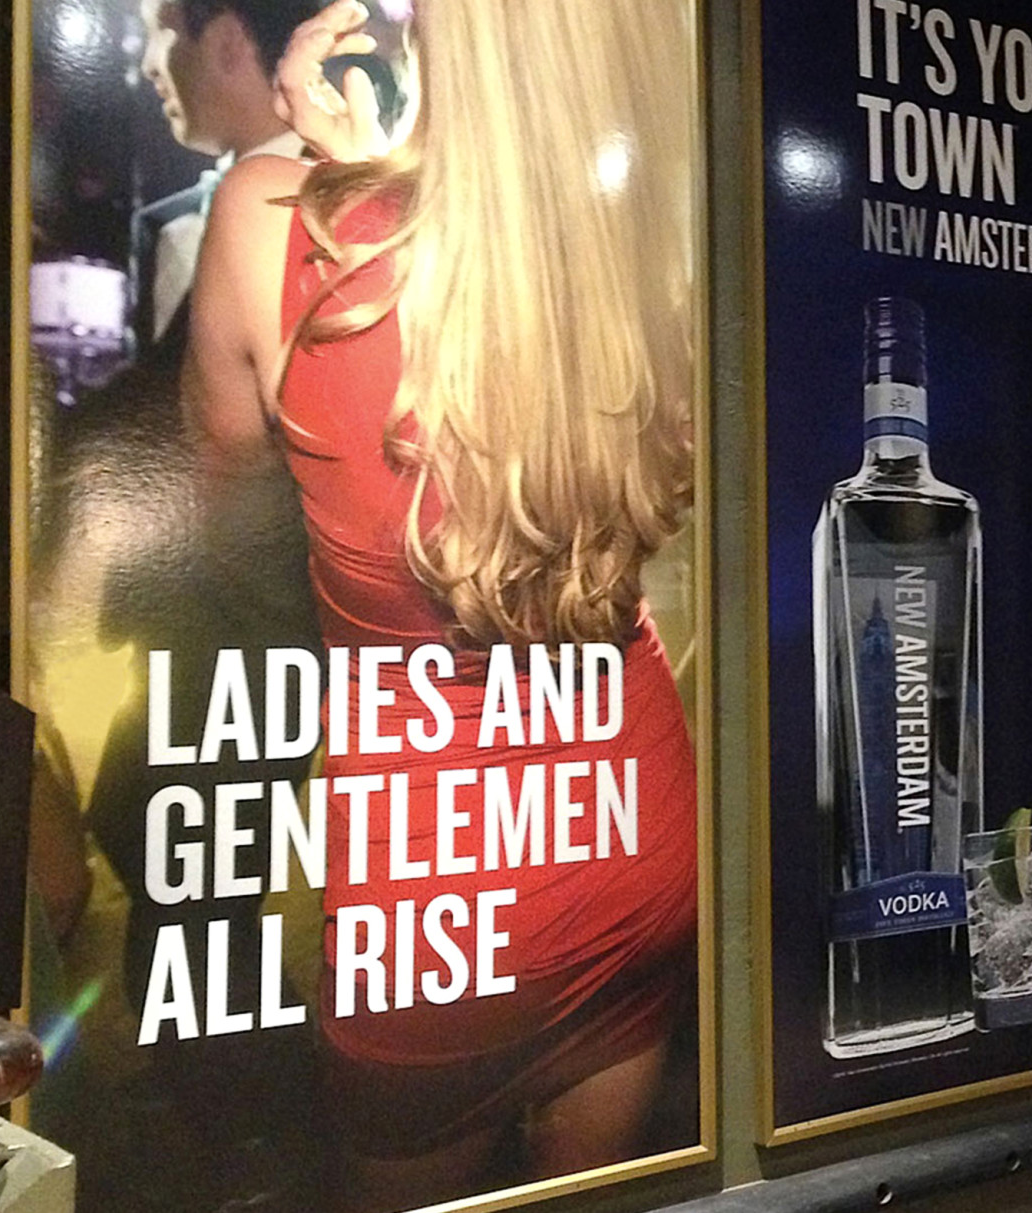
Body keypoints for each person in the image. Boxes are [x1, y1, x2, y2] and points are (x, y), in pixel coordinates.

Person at [184, 0, 699, 1206]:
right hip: (632, 827)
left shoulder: (269, 221)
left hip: (433, 892)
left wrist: (328, 186)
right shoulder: (643, 258)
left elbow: (213, 523)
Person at [133, 0, 321, 357]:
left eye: (163, 32)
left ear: (228, 40)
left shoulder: (346, 201)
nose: (149, 66)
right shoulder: (166, 225)